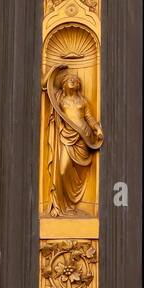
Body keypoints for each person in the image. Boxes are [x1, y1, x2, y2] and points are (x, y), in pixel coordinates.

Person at [43, 65, 104, 216]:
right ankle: (63, 204)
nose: (73, 81)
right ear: (64, 85)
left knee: (79, 172)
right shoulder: (59, 98)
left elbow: (89, 118)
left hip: (83, 138)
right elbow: (45, 85)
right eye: (70, 80)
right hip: (66, 136)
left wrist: (97, 128)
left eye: (75, 80)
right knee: (63, 170)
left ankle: (73, 204)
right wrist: (54, 69)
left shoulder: (82, 101)